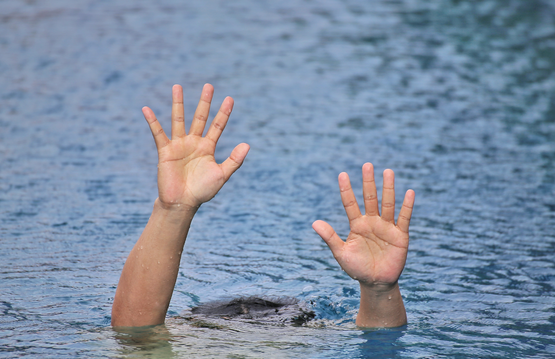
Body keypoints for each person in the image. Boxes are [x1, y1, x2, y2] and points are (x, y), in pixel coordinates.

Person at [110, 84, 415, 329]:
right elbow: (134, 330)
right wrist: (173, 209)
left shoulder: (300, 345)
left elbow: (134, 333)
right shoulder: (190, 344)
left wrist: (379, 290)